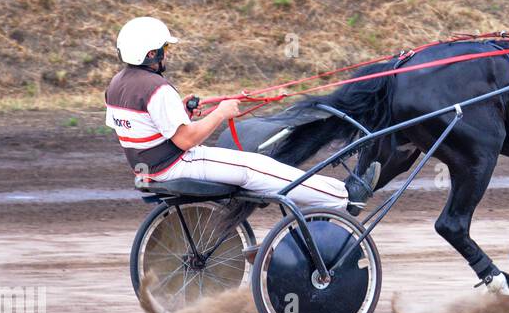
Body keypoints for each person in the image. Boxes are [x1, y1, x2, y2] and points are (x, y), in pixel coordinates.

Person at [105, 16, 364, 215]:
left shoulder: (116, 84)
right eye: (164, 48)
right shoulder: (157, 88)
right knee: (255, 166)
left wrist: (181, 113)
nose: (167, 54)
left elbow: (139, 127)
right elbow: (186, 140)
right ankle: (342, 196)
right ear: (152, 54)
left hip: (149, 169)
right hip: (175, 165)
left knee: (254, 168)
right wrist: (221, 112)